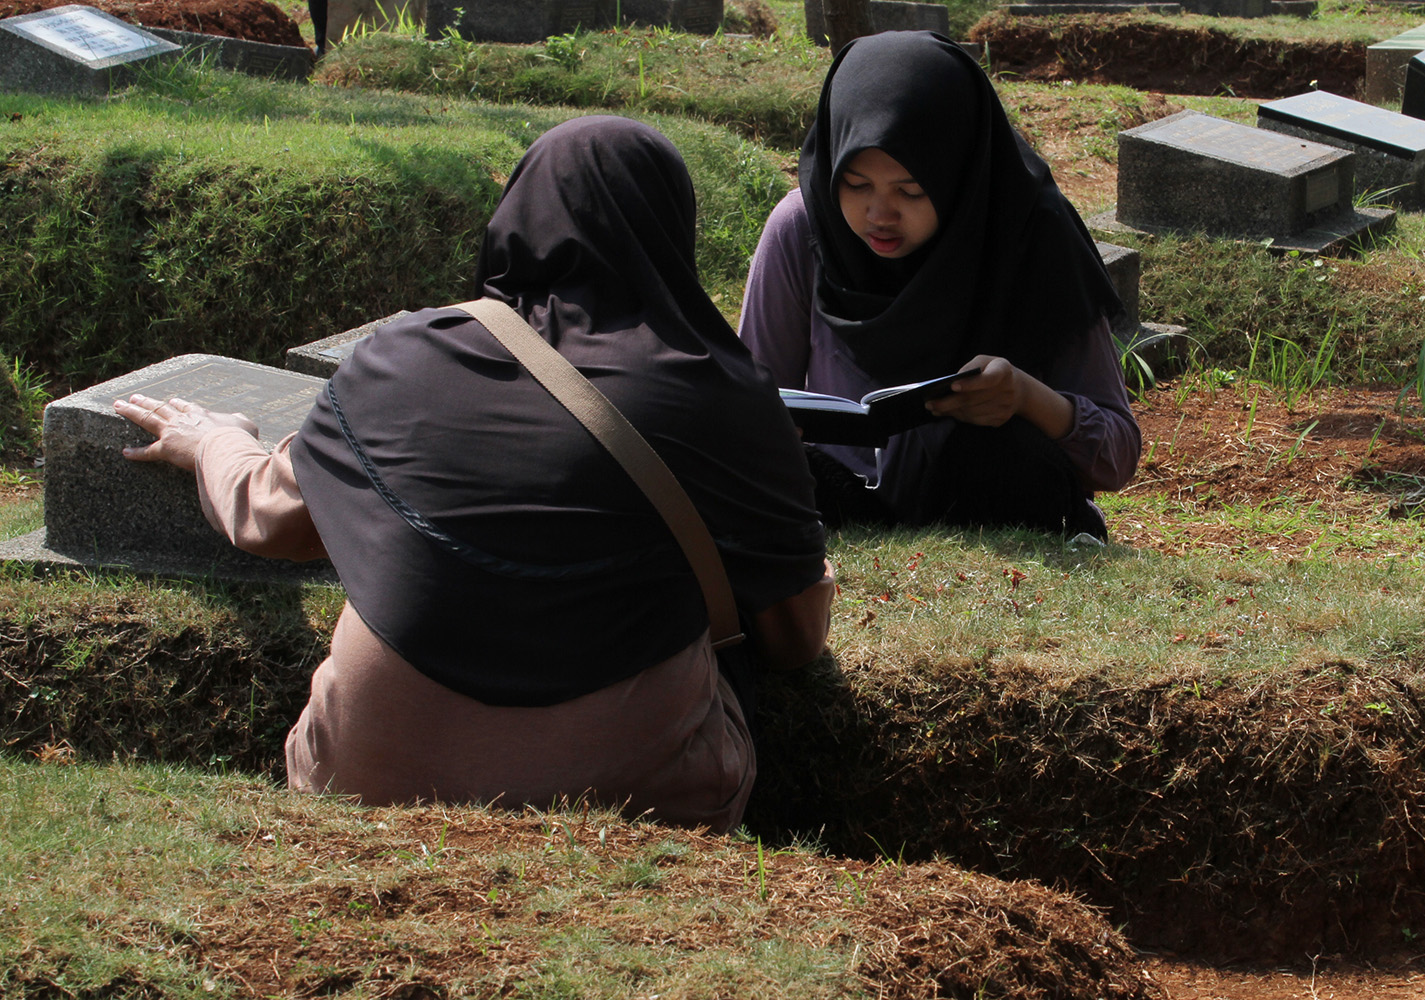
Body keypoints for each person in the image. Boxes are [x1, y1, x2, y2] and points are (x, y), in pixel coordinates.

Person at [114, 116, 834, 831]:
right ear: (672, 230)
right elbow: (794, 641)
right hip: (638, 798)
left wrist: (208, 438)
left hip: (365, 778)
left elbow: (265, 518)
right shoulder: (720, 392)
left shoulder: (398, 358)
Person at [738, 30, 1140, 537]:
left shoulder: (1030, 236)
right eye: (856, 184)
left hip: (990, 499)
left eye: (910, 190)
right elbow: (743, 406)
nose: (879, 214)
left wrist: (1024, 397)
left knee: (995, 454)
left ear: (960, 174)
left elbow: (1118, 454)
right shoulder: (804, 227)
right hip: (843, 500)